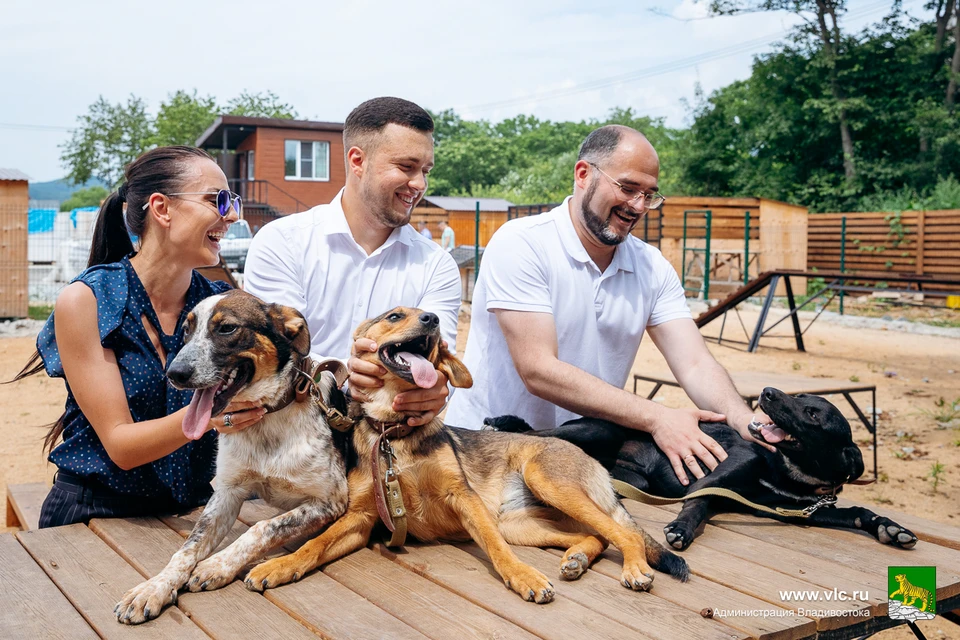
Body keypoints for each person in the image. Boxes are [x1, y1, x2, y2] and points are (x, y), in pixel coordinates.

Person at [446, 125, 776, 486]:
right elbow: (537, 369)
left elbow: (695, 363)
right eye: (628, 188)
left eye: (649, 194)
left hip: (581, 459)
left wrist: (745, 420)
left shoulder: (651, 266)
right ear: (584, 174)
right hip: (487, 454)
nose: (637, 206)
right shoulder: (523, 243)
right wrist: (657, 417)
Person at [11, 146, 263, 528]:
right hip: (94, 516)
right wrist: (214, 417)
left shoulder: (218, 302)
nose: (231, 215)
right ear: (162, 208)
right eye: (218, 200)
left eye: (234, 201)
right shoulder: (88, 300)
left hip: (189, 514)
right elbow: (121, 446)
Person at [244, 97, 459, 426]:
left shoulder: (436, 263)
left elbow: (440, 359)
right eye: (406, 167)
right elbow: (275, 356)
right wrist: (341, 373)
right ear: (357, 161)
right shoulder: (282, 242)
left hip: (387, 444)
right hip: (295, 445)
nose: (420, 184)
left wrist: (435, 389)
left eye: (425, 171)